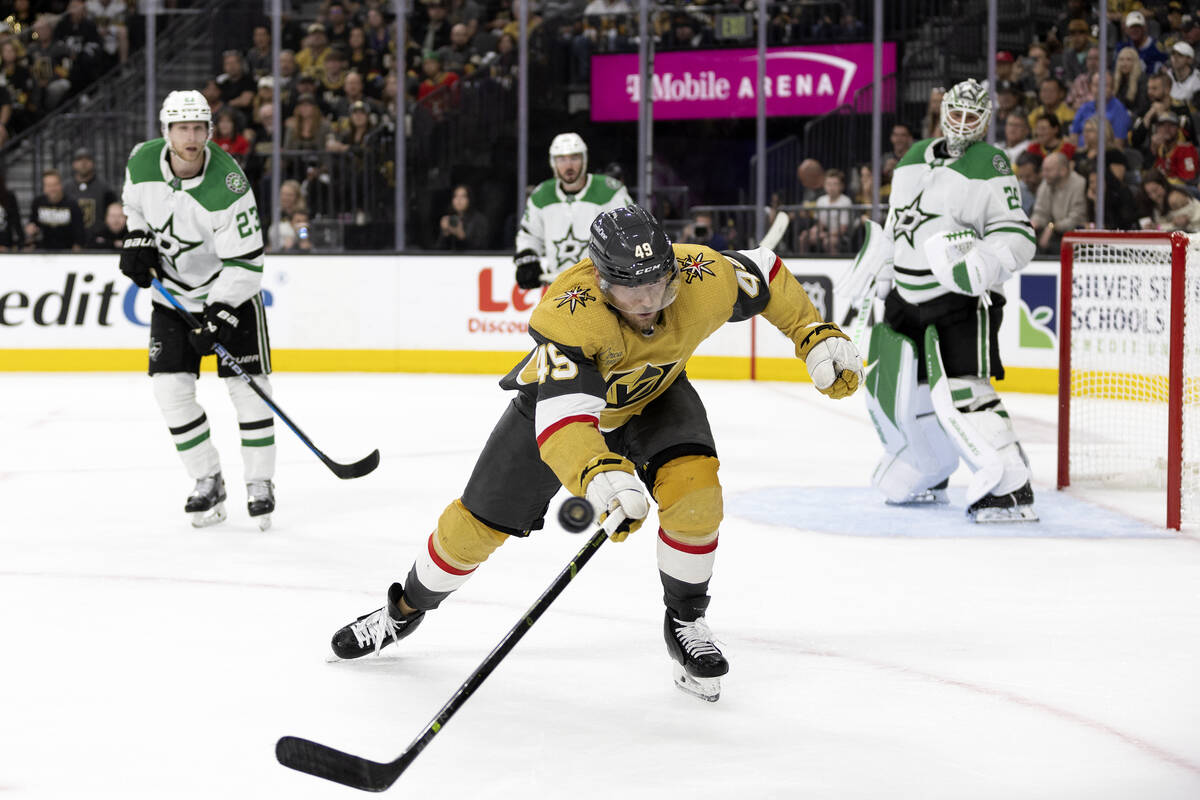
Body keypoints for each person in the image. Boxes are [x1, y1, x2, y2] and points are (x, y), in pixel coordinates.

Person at [326, 204, 863, 703]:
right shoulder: (573, 314)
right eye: (633, 291)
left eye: (659, 283)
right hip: (560, 413)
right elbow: (565, 424)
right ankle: (404, 611)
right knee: (474, 527)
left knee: (697, 495)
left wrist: (813, 334)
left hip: (654, 396)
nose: (650, 303)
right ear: (603, 283)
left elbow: (765, 272)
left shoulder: (704, 277)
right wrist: (602, 478)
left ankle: (684, 623)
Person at [849, 78, 1039, 522]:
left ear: (985, 121)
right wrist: (883, 267)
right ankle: (927, 465)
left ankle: (1012, 485)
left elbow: (1017, 232)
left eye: (974, 116)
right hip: (905, 294)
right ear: (943, 111)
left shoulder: (990, 163)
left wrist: (986, 263)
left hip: (960, 298)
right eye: (956, 113)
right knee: (897, 389)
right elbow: (898, 224)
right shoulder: (914, 156)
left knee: (965, 391)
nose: (962, 123)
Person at [117, 89, 277, 530]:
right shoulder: (142, 161)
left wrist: (220, 311)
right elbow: (133, 206)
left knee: (250, 391)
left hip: (230, 296)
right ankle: (207, 478)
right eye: (182, 128)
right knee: (170, 391)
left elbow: (247, 262)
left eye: (198, 127)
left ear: (209, 130)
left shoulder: (229, 184)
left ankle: (260, 482)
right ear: (166, 132)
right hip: (171, 296)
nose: (191, 136)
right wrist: (136, 237)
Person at [513, 132, 633, 289]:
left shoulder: (610, 190)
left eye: (574, 158)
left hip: (601, 285)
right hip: (557, 285)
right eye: (561, 159)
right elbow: (529, 235)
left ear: (584, 159)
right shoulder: (541, 194)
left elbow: (628, 233)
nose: (568, 165)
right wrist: (527, 259)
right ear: (552, 162)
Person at [1030, 152, 1087, 254]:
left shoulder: (1079, 184)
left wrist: (1053, 227)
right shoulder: (1046, 183)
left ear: (1063, 171)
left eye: (1048, 170)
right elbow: (1040, 212)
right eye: (1043, 170)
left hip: (1075, 235)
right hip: (1052, 232)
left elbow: (1076, 219)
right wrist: (1033, 223)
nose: (1044, 174)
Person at [26, 168, 85, 251]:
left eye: (55, 184)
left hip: (67, 251)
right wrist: (30, 231)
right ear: (44, 188)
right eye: (48, 185)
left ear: (61, 185)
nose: (52, 189)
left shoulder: (72, 204)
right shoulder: (38, 202)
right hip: (43, 252)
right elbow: (32, 225)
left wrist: (74, 254)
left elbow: (80, 233)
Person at [67, 147, 117, 236]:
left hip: (98, 241)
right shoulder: (66, 188)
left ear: (93, 163)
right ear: (74, 164)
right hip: (72, 241)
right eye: (79, 160)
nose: (83, 163)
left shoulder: (105, 189)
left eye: (87, 159)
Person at [436, 184, 488, 249]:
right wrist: (445, 234)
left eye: (463, 196)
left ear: (469, 199)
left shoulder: (479, 220)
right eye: (455, 196)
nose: (459, 200)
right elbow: (439, 251)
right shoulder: (449, 219)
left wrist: (461, 236)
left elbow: (482, 249)